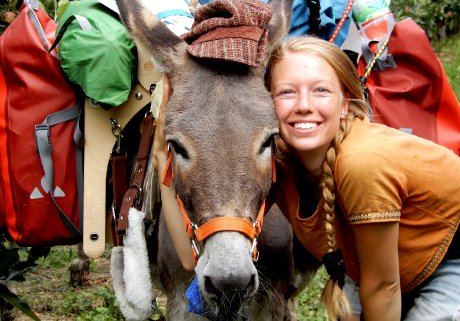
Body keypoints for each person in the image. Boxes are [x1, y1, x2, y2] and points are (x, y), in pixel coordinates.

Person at [153, 36, 460, 321]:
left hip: (448, 258)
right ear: (267, 104)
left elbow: (383, 286)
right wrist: (162, 157)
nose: (303, 105)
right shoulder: (278, 163)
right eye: (287, 92)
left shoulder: (362, 163)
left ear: (346, 104)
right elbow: (189, 259)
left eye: (321, 90)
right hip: (381, 264)